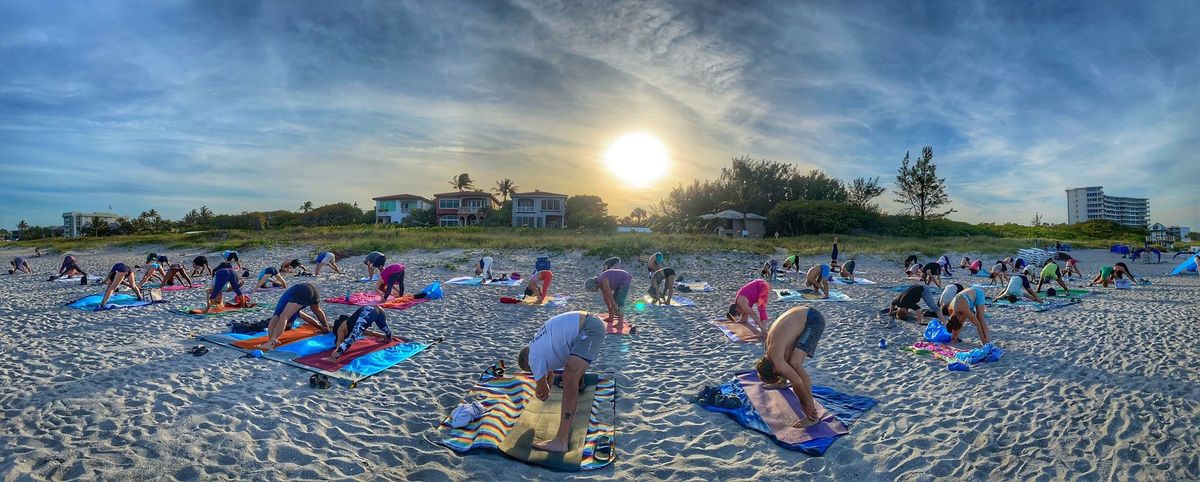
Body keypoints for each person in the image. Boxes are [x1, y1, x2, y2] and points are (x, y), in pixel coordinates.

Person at [517, 311, 607, 453]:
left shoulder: (533, 359)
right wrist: (548, 379)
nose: (534, 372)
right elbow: (550, 366)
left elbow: (543, 391)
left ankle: (561, 441)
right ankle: (580, 382)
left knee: (569, 377)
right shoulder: (537, 345)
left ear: (529, 366)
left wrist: (541, 389)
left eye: (532, 371)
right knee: (571, 364)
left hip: (589, 328)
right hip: (589, 322)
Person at [755, 306, 826, 426]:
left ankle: (813, 417)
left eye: (779, 374)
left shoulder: (777, 361)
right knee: (789, 360)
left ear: (774, 370)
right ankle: (782, 383)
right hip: (801, 312)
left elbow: (797, 383)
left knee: (795, 363)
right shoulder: (768, 349)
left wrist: (806, 406)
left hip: (813, 320)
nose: (780, 370)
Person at [258, 283, 330, 350]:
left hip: (303, 291)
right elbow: (307, 319)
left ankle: (271, 342)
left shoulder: (280, 312)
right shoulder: (293, 310)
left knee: (284, 316)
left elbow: (272, 324)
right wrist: (320, 327)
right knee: (317, 310)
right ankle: (326, 327)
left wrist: (271, 338)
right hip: (312, 289)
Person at [325, 306, 392, 362]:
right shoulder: (354, 323)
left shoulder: (341, 328)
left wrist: (338, 350)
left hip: (369, 311)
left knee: (353, 337)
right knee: (385, 329)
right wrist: (384, 336)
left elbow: (340, 340)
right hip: (376, 310)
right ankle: (389, 337)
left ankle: (336, 356)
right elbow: (371, 333)